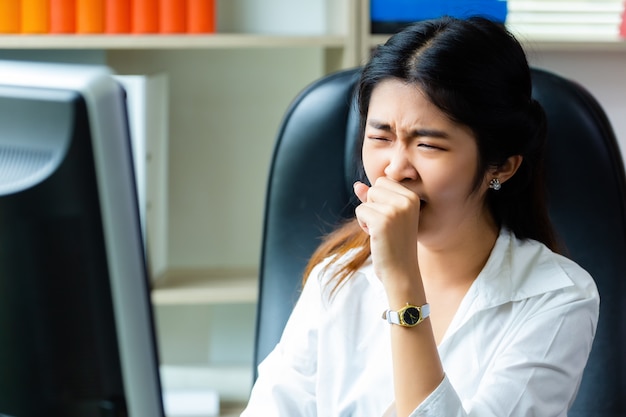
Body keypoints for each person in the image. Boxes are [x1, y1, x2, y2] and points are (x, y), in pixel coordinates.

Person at [241, 16, 599, 417]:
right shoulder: (337, 278)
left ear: (501, 167)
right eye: (379, 137)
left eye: (427, 144)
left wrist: (402, 281)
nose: (395, 169)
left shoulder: (557, 297)